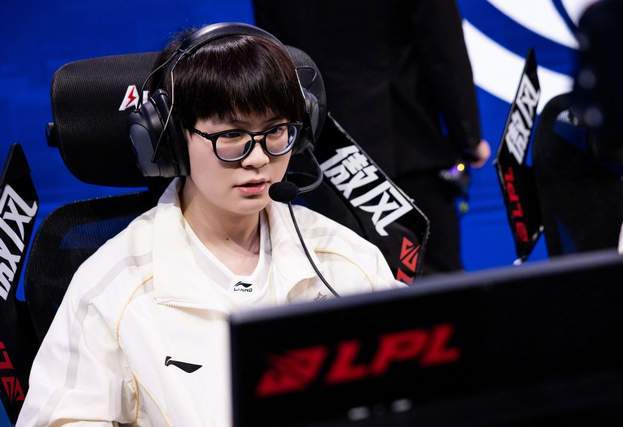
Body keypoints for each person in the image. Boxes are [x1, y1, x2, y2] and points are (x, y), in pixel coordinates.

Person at [17, 24, 399, 427]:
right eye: (232, 135)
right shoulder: (112, 285)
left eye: (275, 131)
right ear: (173, 139)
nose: (258, 159)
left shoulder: (346, 261)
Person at [253, 0, 491, 274]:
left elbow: (279, 58)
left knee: (342, 276)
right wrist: (468, 138)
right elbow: (444, 50)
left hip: (324, 159)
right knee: (432, 282)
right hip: (408, 147)